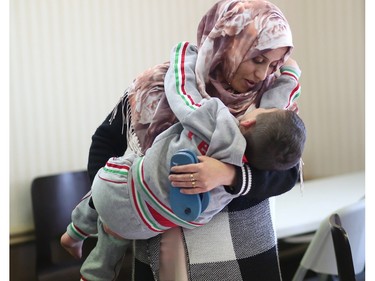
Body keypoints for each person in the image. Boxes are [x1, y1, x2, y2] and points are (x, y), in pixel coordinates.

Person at [84, 0, 303, 280]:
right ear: (228, 44)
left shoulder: (269, 101)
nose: (262, 74)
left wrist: (229, 174)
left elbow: (288, 172)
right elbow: (104, 142)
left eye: (273, 64)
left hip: (245, 250)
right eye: (257, 59)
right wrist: (106, 203)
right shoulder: (159, 84)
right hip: (165, 246)